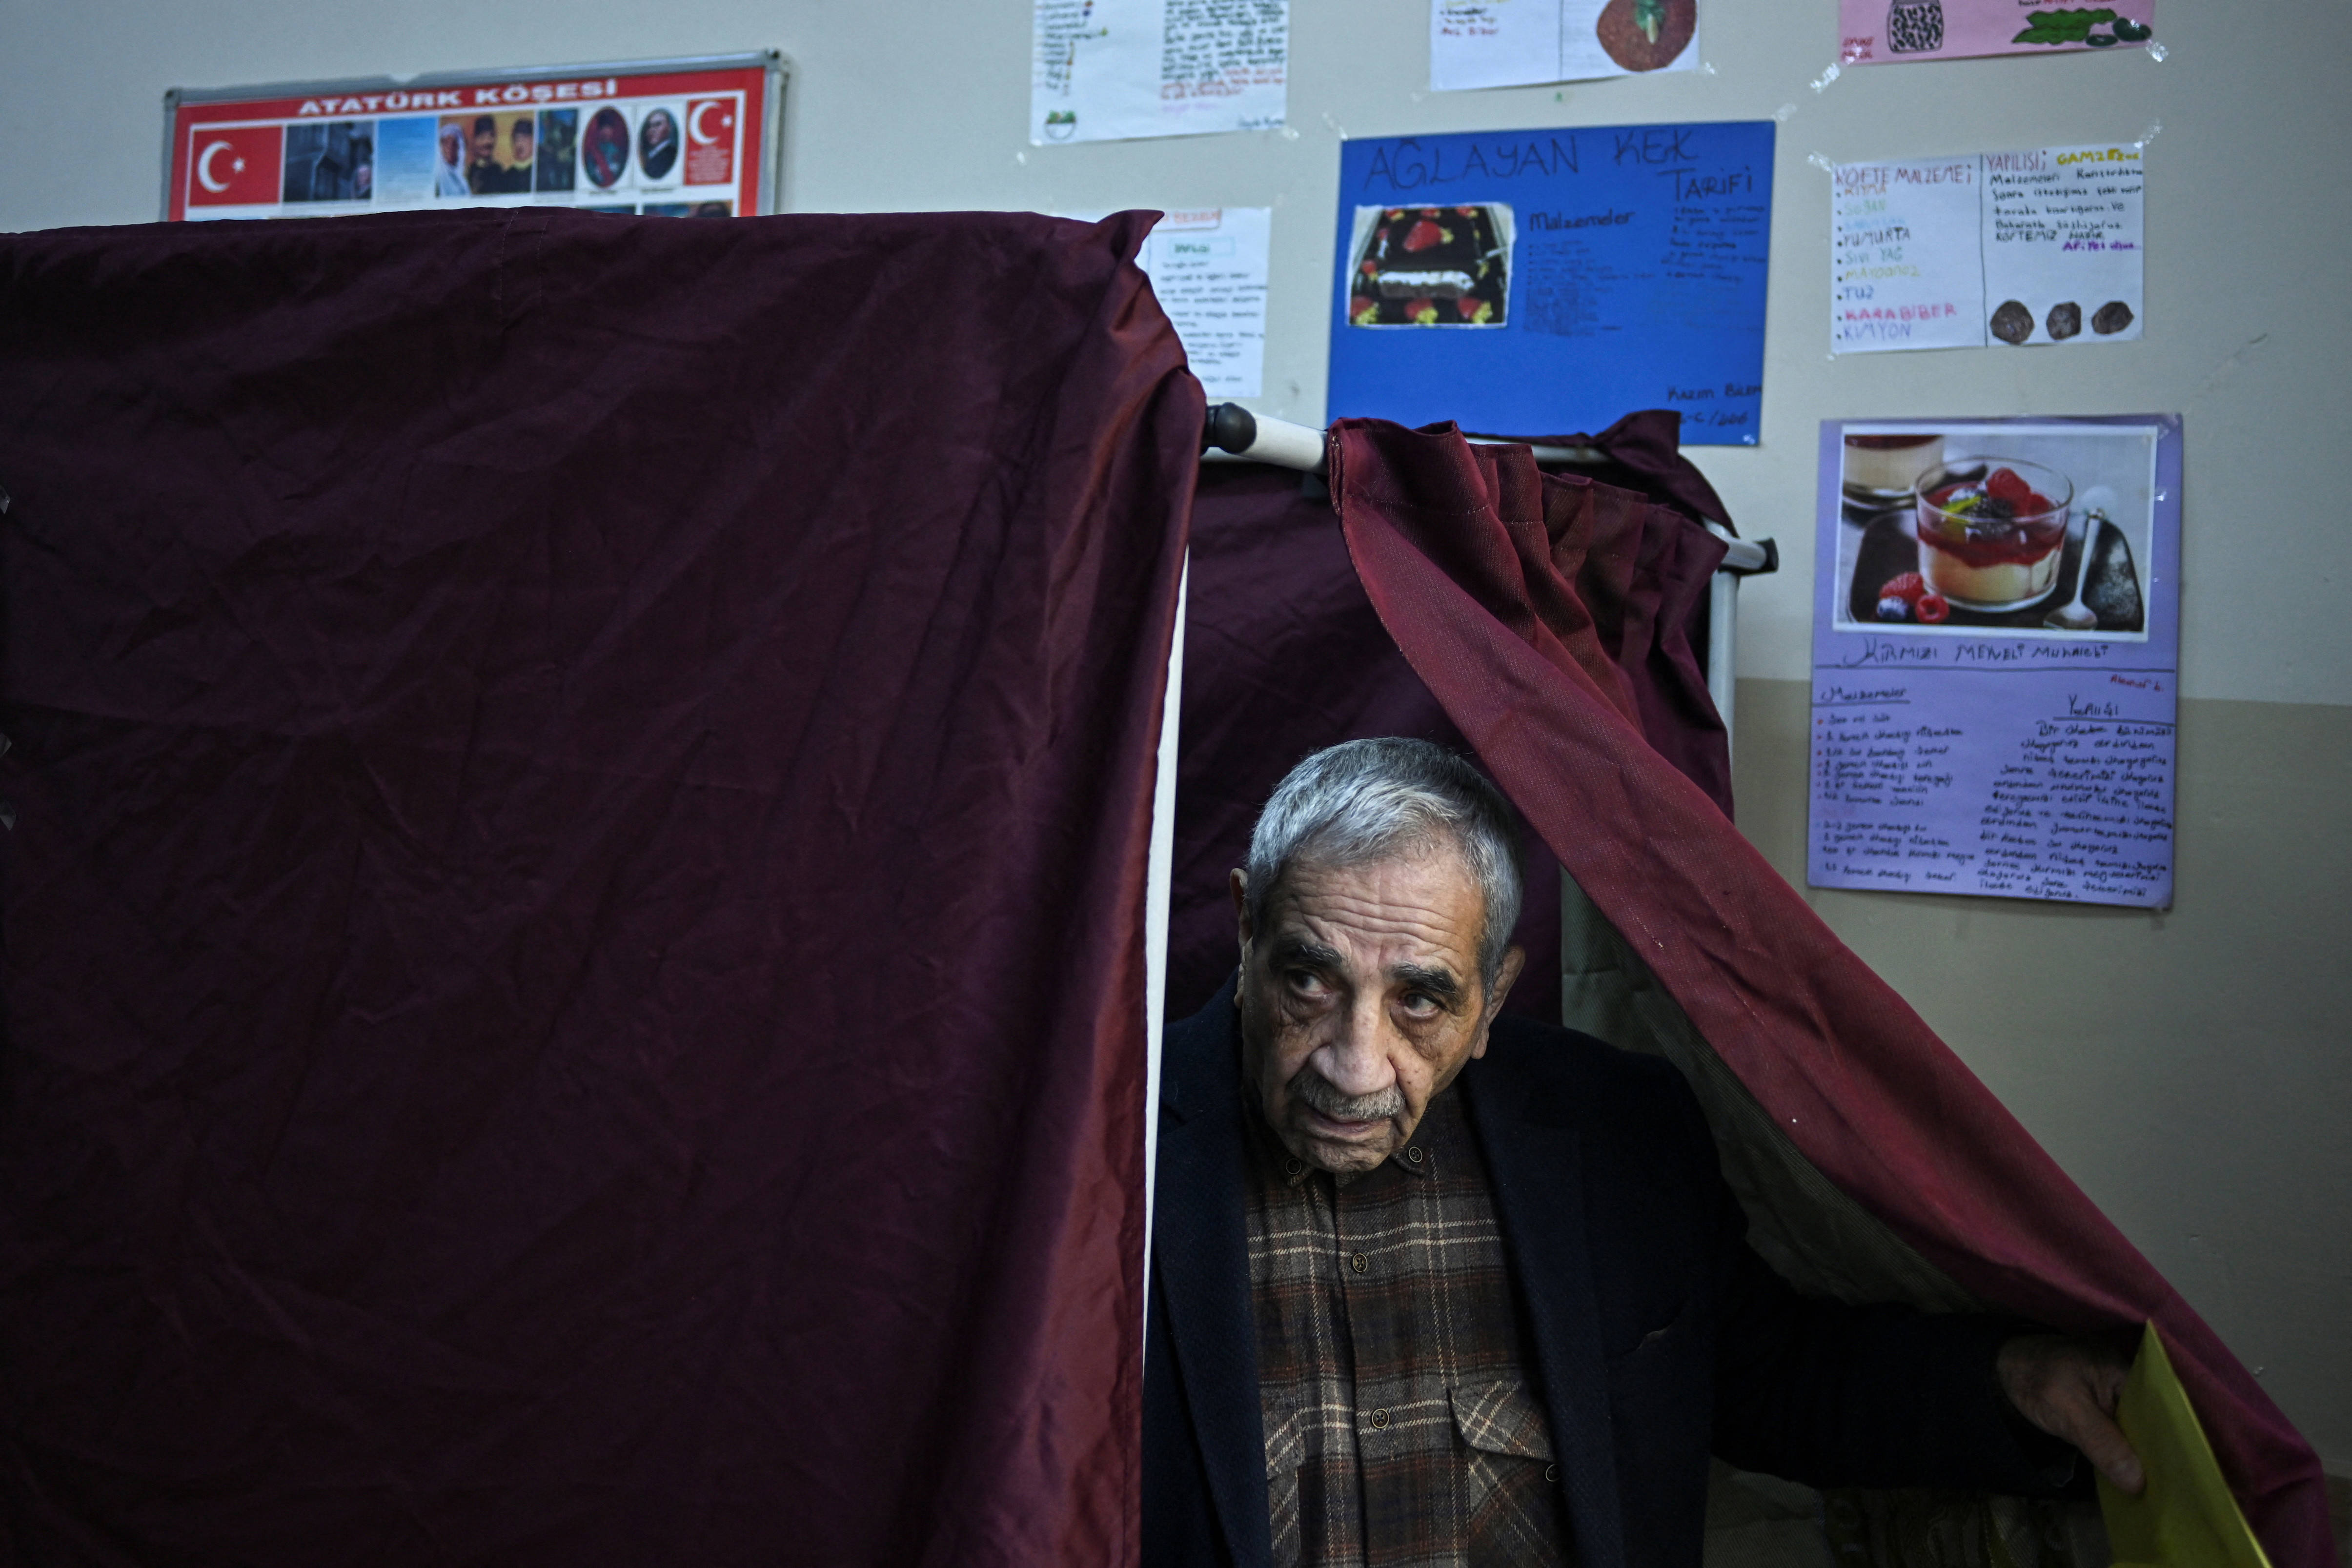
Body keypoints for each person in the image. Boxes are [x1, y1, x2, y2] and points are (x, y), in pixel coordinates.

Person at [1143, 738, 2142, 1568]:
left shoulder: (1614, 1133)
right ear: (1244, 928)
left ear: (1493, 998)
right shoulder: (1107, 1153)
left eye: (1421, 999)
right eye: (1310, 981)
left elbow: (1765, 1375)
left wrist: (2007, 1386)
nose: (1357, 1066)